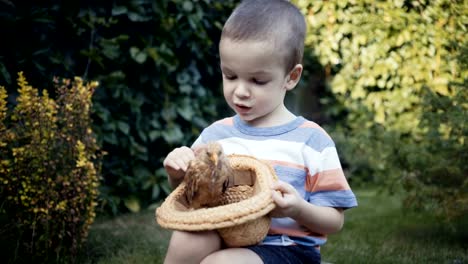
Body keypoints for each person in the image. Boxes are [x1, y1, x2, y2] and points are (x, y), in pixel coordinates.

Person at [162, 0, 358, 263]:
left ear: (291, 77)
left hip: (287, 248)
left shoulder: (312, 141)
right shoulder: (215, 136)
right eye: (230, 76)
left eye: (257, 80)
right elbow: (193, 198)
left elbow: (334, 221)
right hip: (226, 233)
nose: (240, 91)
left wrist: (298, 209)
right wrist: (177, 175)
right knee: (189, 236)